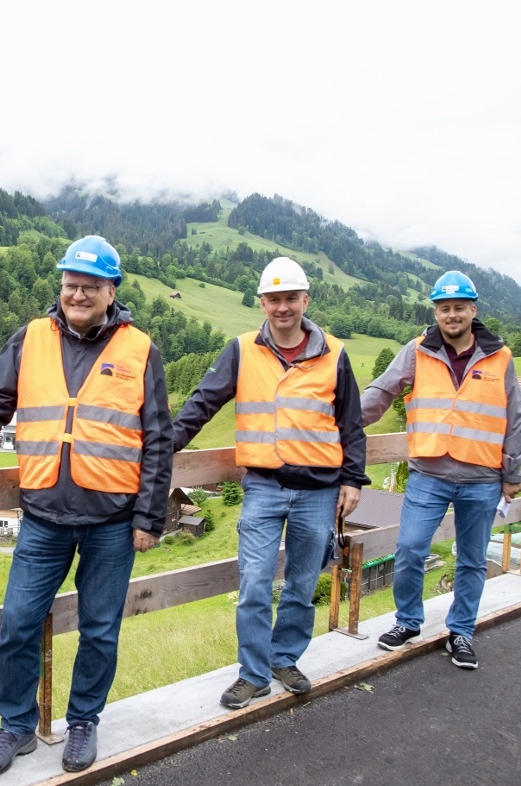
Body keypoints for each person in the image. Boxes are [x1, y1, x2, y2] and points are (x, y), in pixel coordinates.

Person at [0, 236, 172, 776]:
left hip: (112, 521)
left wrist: (150, 516)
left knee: (101, 629)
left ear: (111, 291)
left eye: (89, 286)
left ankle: (83, 721)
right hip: (44, 520)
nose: (77, 294)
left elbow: (157, 439)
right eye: (70, 284)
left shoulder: (140, 349)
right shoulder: (30, 338)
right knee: (18, 624)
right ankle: (16, 726)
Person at [171, 257, 367, 710]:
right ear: (262, 302)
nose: (282, 307)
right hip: (262, 485)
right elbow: (201, 404)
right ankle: (254, 674)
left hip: (319, 490)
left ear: (305, 300)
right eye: (274, 299)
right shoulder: (241, 350)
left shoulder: (334, 353)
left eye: (290, 298)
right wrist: (162, 450)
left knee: (301, 583)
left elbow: (351, 423)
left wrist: (353, 480)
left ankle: (284, 659)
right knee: (255, 582)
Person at [361, 270, 521, 669]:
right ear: (436, 312)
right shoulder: (418, 350)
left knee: (471, 559)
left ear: (473, 310)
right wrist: (340, 424)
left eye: (458, 308)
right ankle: (408, 622)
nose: (451, 315)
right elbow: (382, 391)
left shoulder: (499, 357)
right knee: (410, 548)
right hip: (429, 473)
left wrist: (513, 472)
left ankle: (462, 632)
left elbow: (516, 417)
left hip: (482, 478)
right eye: (444, 308)